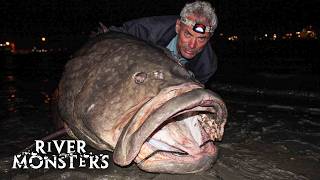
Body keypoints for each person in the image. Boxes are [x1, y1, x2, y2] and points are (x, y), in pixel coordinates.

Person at [98, 1, 218, 84]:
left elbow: (193, 92)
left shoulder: (207, 67)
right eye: (187, 34)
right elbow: (110, 36)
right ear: (177, 27)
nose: (192, 45)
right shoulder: (151, 30)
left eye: (201, 38)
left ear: (209, 38)